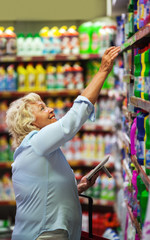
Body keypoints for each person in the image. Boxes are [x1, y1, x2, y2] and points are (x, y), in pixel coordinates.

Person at [6, 46, 120, 240]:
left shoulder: (36, 149)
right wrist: (103, 71)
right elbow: (72, 121)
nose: (51, 110)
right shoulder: (36, 142)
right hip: (43, 235)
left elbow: (44, 194)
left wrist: (78, 188)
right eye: (42, 108)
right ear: (30, 122)